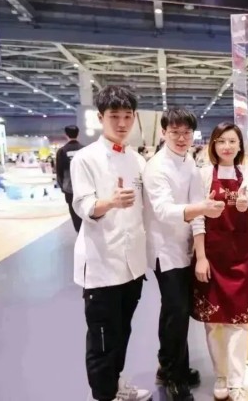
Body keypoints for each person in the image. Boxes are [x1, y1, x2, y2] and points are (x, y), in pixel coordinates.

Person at [71, 86, 151, 401]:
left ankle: (116, 386)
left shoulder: (137, 160)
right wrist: (110, 202)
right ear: (100, 117)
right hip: (101, 265)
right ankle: (104, 395)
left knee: (123, 331)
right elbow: (83, 205)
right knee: (102, 339)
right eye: (114, 116)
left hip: (133, 266)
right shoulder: (85, 158)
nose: (121, 123)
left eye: (127, 116)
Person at [143, 109, 225, 400]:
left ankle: (169, 366)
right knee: (175, 312)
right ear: (163, 132)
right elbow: (164, 211)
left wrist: (200, 251)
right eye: (175, 132)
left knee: (177, 311)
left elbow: (197, 205)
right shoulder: (156, 168)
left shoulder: (189, 161)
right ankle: (174, 376)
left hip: (185, 247)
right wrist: (202, 209)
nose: (181, 138)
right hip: (164, 251)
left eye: (186, 133)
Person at [191, 122, 248, 401]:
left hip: (240, 257)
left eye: (232, 141)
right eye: (221, 141)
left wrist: (244, 200)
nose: (227, 146)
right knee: (213, 322)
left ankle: (237, 382)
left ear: (240, 145)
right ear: (213, 146)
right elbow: (197, 217)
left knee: (239, 322)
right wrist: (201, 257)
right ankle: (221, 374)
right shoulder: (204, 175)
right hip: (211, 256)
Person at [56, 125, 85, 232]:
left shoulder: (62, 151)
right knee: (86, 212)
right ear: (78, 134)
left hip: (69, 189)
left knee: (75, 215)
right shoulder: (85, 150)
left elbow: (59, 172)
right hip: (85, 189)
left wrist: (63, 187)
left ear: (66, 135)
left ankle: (79, 233)